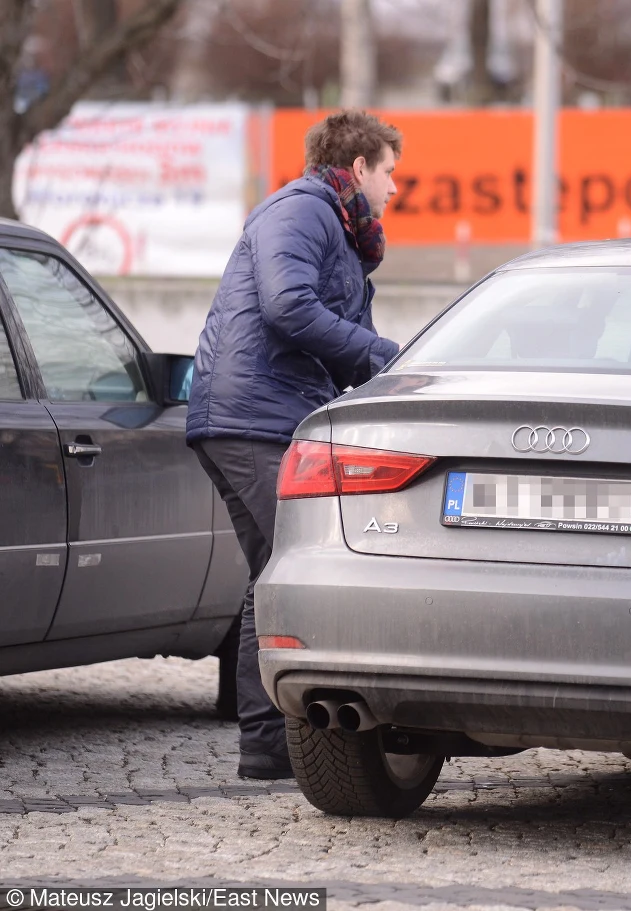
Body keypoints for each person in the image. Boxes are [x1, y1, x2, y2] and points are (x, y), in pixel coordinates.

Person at [186, 110, 403, 779]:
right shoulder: (302, 209)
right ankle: (269, 745)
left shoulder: (341, 231)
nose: (395, 189)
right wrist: (381, 354)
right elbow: (290, 307)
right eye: (390, 172)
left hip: (269, 413)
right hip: (250, 416)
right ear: (359, 166)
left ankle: (268, 744)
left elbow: (340, 341)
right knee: (284, 574)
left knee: (271, 575)